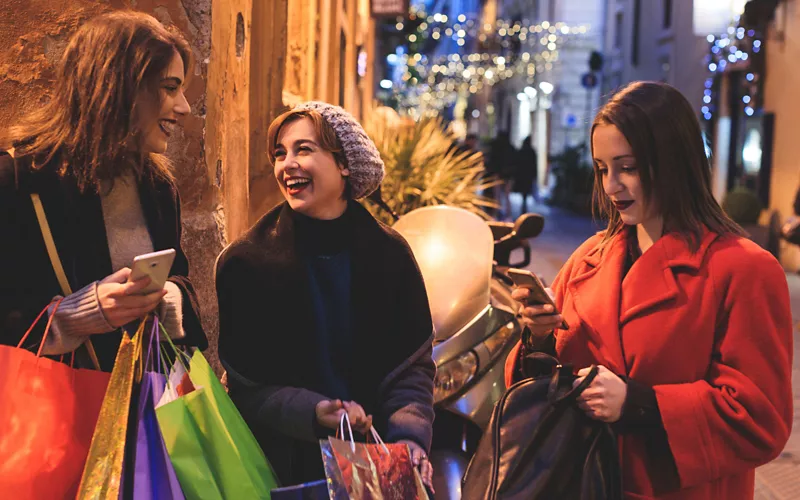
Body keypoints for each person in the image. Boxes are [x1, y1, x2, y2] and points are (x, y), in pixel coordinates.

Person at [505, 81, 793, 499]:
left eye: (629, 167)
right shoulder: (591, 257)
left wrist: (640, 403)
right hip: (584, 484)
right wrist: (540, 334)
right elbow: (538, 390)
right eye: (602, 168)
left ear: (674, 162)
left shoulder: (743, 269)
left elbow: (760, 418)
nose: (610, 186)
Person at [215, 102, 436, 490]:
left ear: (345, 163)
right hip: (279, 467)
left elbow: (410, 369)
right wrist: (316, 412)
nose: (287, 164)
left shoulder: (390, 255)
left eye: (304, 149)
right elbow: (247, 388)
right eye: (280, 153)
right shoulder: (246, 261)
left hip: (373, 467)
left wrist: (410, 440)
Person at [0, 11, 207, 369]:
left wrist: (166, 297)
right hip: (56, 413)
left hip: (141, 412)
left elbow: (181, 282)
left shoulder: (159, 188)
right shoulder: (17, 180)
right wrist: (82, 313)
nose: (185, 107)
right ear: (119, 86)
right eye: (170, 87)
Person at [514, 135, 539, 214]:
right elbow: (534, 165)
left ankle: (524, 205)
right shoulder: (532, 151)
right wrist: (535, 175)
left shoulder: (522, 151)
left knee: (523, 192)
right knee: (525, 191)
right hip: (528, 176)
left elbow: (517, 163)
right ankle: (524, 205)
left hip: (522, 175)